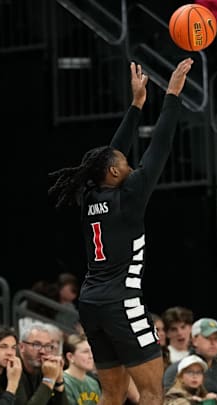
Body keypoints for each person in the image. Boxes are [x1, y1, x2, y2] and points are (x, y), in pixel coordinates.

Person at [47, 58, 193, 405]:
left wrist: (137, 105)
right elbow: (161, 145)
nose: (130, 163)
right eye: (124, 163)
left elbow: (111, 154)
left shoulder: (89, 194)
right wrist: (172, 94)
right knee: (152, 393)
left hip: (91, 303)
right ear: (114, 173)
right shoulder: (130, 195)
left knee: (111, 393)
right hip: (122, 303)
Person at [16, 322, 65, 404]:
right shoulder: (12, 368)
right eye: (36, 345)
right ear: (21, 347)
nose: (43, 351)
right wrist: (48, 379)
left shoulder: (46, 368)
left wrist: (59, 380)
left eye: (47, 346)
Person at [63, 334, 101, 405]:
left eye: (91, 351)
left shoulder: (93, 383)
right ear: (70, 357)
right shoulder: (63, 382)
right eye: (85, 352)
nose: (91, 356)